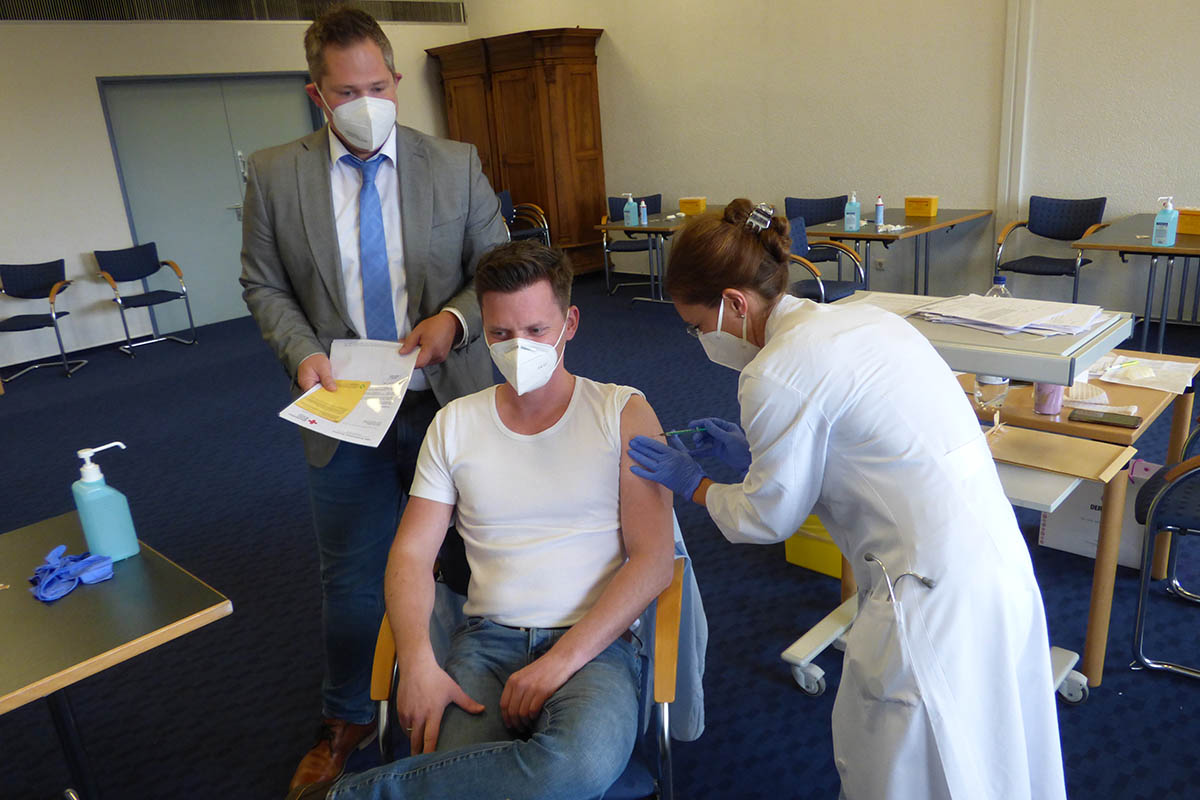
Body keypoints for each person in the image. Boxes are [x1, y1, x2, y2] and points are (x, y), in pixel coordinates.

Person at [626, 199, 1067, 799]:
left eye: (698, 325)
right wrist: (754, 459)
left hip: (928, 591)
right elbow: (855, 448)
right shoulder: (862, 319)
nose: (701, 339)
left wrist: (695, 483)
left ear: (733, 303)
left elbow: (766, 518)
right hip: (994, 554)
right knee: (996, 746)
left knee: (906, 763)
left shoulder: (774, 372)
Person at [286, 240, 676, 800]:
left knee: (575, 766)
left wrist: (558, 663)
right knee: (480, 777)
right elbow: (412, 555)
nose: (519, 348)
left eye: (537, 331)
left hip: (596, 644)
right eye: (500, 334)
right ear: (483, 331)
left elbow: (653, 560)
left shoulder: (622, 411)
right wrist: (418, 662)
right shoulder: (454, 424)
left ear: (570, 322)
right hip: (487, 642)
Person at [238, 6, 508, 788]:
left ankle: (463, 690)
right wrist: (301, 353)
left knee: (467, 556)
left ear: (395, 78)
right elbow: (264, 282)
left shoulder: (453, 163)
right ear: (318, 95)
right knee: (352, 573)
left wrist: (454, 321)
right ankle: (347, 715)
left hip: (445, 397)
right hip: (344, 404)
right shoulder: (275, 173)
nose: (368, 100)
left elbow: (497, 264)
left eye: (380, 84)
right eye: (348, 89)